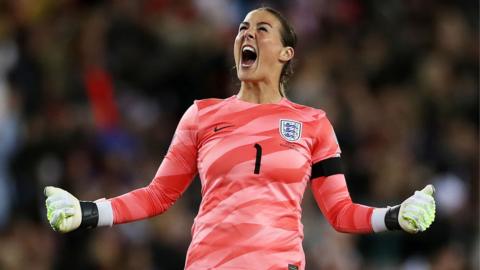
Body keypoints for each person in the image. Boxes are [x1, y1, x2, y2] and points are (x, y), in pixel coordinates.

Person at [45, 7, 436, 270]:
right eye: (241, 29)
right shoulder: (202, 114)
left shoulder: (313, 124)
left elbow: (340, 213)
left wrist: (394, 216)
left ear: (286, 53)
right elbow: (158, 194)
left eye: (260, 29)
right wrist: (90, 211)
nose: (246, 34)